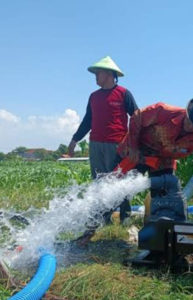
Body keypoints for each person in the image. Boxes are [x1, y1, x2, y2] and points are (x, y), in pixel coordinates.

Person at [67, 56, 138, 245]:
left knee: (119, 181)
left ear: (108, 74)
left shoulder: (124, 94)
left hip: (118, 144)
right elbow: (87, 120)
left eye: (98, 73)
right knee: (99, 182)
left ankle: (126, 218)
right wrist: (74, 140)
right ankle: (103, 219)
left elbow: (136, 117)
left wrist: (133, 142)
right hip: (96, 144)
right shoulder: (94, 96)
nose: (95, 77)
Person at [116, 96, 193, 200]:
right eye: (189, 121)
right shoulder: (163, 111)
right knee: (119, 186)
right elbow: (137, 117)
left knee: (164, 197)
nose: (190, 127)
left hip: (163, 162)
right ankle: (114, 218)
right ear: (187, 113)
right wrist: (133, 147)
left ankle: (157, 222)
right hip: (138, 151)